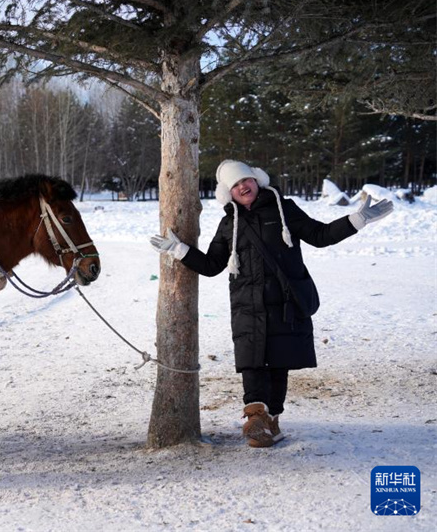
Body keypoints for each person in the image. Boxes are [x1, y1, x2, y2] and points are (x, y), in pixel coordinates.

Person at [150, 160, 393, 448]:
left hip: (284, 303)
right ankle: (255, 416)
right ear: (228, 193)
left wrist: (357, 220)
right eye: (235, 185)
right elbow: (212, 265)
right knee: (251, 362)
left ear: (256, 180)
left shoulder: (284, 209)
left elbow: (320, 236)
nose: (243, 186)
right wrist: (179, 250)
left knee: (279, 364)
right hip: (247, 307)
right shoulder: (229, 224)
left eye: (246, 180)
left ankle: (271, 422)